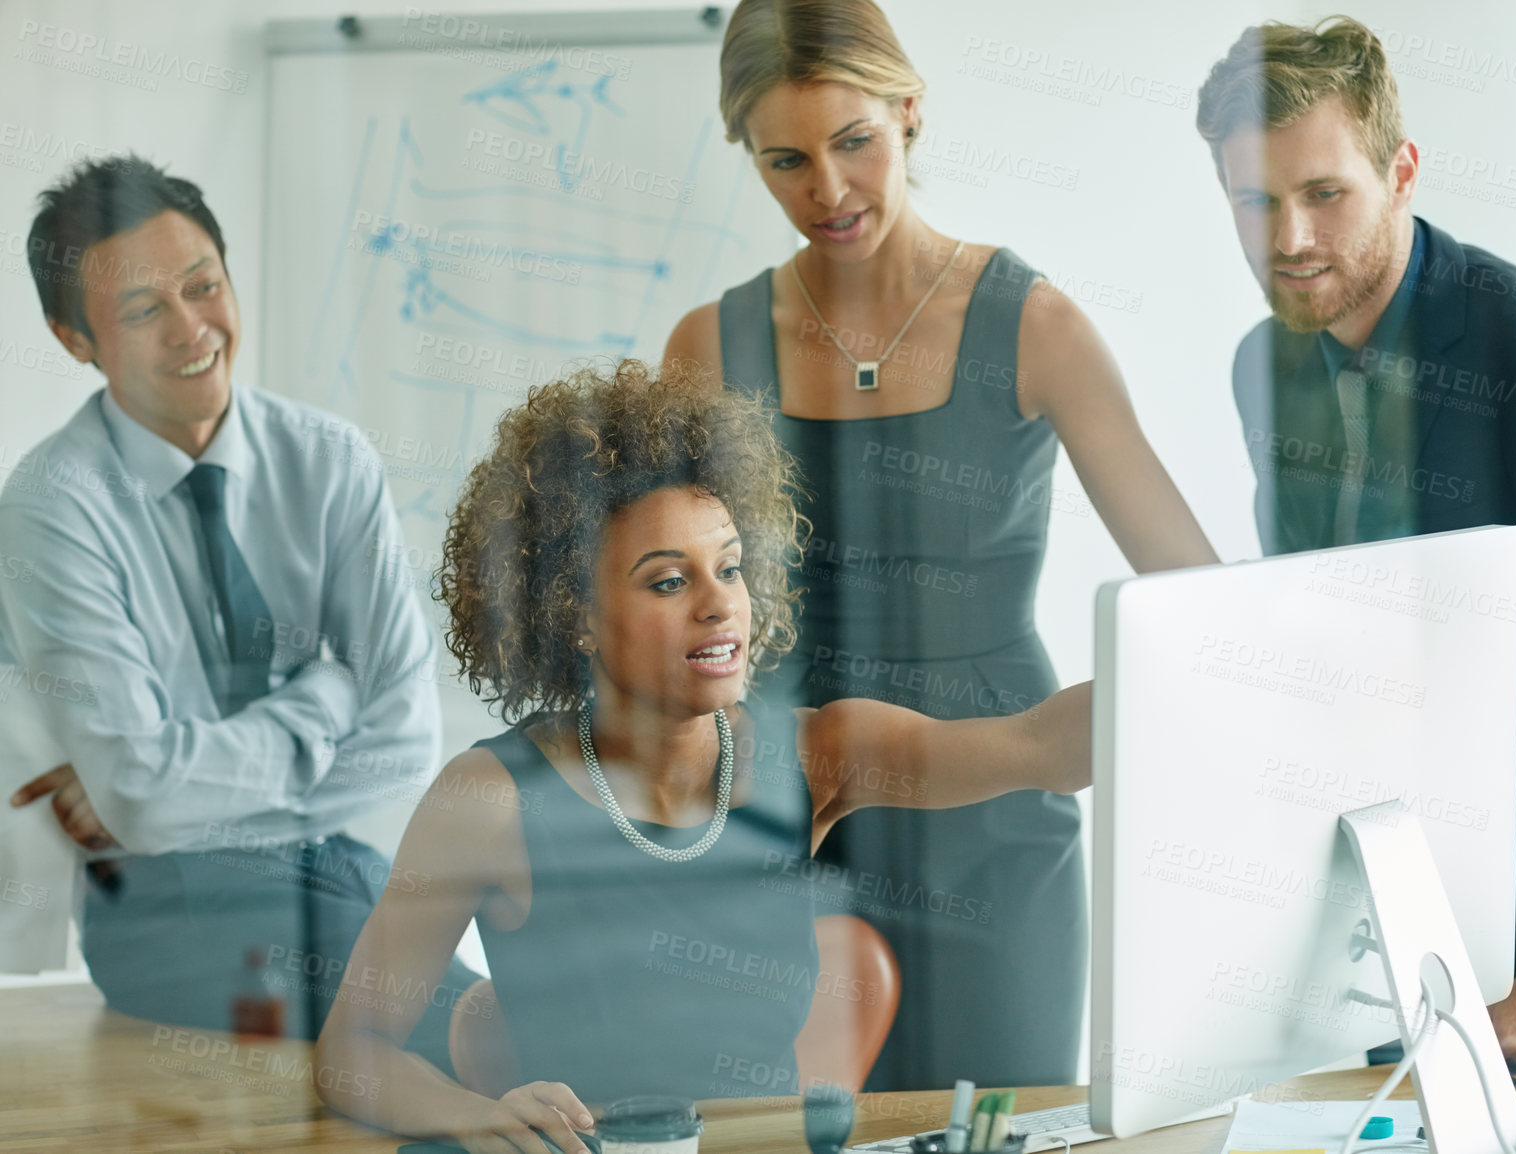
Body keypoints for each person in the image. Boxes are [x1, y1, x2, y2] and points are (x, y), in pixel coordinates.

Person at [311, 361, 1091, 1152]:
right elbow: (352, 1052)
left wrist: (1183, 661)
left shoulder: (816, 756)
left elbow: (1042, 748)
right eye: (669, 582)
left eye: (729, 567)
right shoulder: (489, 799)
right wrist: (475, 1116)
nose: (720, 604)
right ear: (573, 615)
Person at [662, 0, 1215, 1089]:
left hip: (995, 827)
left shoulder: (1033, 324)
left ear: (910, 114)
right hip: (777, 810)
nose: (825, 190)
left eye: (854, 142)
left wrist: (1107, 732)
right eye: (785, 159)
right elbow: (657, 613)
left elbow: (1196, 600)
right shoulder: (708, 348)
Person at [1195, 18, 1516, 1072]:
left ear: (1400, 170)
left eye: (1324, 194)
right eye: (1254, 200)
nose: (1286, 238)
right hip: (1355, 920)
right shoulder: (1260, 365)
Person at [0, 155, 477, 1066]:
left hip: (340, 869)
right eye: (144, 312)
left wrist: (173, 788)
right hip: (163, 907)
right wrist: (329, 697)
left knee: (442, 1046)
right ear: (74, 340)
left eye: (203, 286)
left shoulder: (329, 462)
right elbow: (141, 799)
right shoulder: (52, 504)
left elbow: (407, 743)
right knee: (464, 1032)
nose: (192, 330)